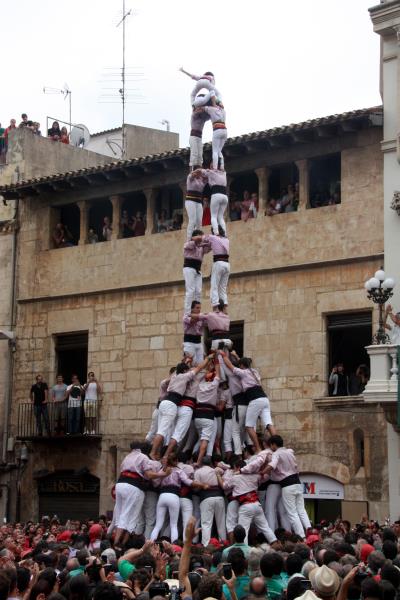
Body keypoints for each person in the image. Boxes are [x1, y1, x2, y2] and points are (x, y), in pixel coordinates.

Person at [150, 356, 211, 459]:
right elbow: (200, 368)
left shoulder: (175, 375)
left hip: (167, 404)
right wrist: (208, 359)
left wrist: (186, 361)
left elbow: (182, 368)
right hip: (176, 405)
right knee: (170, 433)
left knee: (165, 431)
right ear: (185, 371)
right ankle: (161, 454)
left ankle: (157, 453)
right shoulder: (187, 377)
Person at [112, 443, 170, 549]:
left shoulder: (128, 456)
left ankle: (117, 543)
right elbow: (149, 475)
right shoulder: (144, 458)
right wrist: (164, 474)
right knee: (132, 516)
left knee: (122, 515)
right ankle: (119, 544)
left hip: (120, 484)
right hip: (133, 486)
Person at [220, 354, 274, 453]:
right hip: (264, 398)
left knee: (244, 428)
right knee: (268, 423)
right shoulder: (254, 372)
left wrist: (222, 356)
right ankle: (277, 446)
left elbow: (229, 366)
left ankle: (256, 449)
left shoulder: (241, 373)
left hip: (252, 400)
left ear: (241, 365)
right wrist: (236, 356)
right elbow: (245, 364)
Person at [263, 435, 311, 539]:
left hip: (288, 485)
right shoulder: (290, 451)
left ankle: (302, 537)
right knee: (301, 510)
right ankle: (310, 532)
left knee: (292, 513)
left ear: (273, 444)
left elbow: (272, 465)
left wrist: (262, 472)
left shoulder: (276, 454)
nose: (271, 447)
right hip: (298, 483)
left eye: (271, 445)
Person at [217, 462, 277, 545]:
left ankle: (243, 550)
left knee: (244, 530)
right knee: (265, 527)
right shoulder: (254, 476)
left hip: (245, 506)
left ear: (237, 468)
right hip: (257, 505)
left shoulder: (235, 478)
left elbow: (224, 486)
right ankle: (275, 543)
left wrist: (218, 475)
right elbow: (266, 476)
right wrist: (262, 470)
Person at [150, 453, 205, 543]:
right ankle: (174, 546)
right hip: (174, 496)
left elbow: (156, 483)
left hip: (162, 496)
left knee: (158, 525)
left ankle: (151, 543)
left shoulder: (162, 470)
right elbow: (188, 482)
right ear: (176, 461)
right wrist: (202, 484)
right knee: (174, 525)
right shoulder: (179, 471)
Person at [194, 455, 226, 546]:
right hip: (219, 497)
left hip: (206, 498)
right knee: (221, 523)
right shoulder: (217, 470)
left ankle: (206, 545)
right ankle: (223, 543)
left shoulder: (198, 472)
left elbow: (196, 487)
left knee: (206, 524)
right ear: (210, 463)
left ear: (202, 463)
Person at [194, 358, 221, 466]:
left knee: (200, 440)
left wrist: (207, 364)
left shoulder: (200, 385)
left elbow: (200, 374)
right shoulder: (214, 385)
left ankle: (192, 457)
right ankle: (199, 461)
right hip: (208, 416)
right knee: (205, 440)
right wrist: (217, 362)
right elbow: (218, 374)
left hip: (197, 416)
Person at [194, 232, 230, 309]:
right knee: (222, 287)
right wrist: (204, 244)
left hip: (218, 263)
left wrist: (193, 239)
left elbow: (201, 238)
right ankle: (225, 308)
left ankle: (215, 307)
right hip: (227, 264)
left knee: (214, 286)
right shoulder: (226, 240)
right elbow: (210, 245)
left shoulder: (212, 237)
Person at [196, 94, 227, 171]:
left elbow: (200, 109)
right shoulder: (223, 110)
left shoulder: (210, 109)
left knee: (215, 151)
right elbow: (219, 102)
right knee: (219, 150)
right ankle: (222, 167)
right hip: (225, 130)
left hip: (217, 130)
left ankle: (215, 168)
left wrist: (197, 107)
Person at [183, 230, 211, 314]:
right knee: (190, 291)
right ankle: (187, 312)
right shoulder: (189, 243)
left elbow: (209, 247)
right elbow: (195, 240)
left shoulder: (201, 247)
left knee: (198, 291)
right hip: (189, 268)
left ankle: (197, 311)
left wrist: (212, 240)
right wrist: (203, 237)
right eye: (200, 237)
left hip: (197, 270)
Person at [189, 96, 211, 169]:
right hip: (194, 136)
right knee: (194, 155)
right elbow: (199, 111)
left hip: (199, 137)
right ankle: (192, 172)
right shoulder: (194, 114)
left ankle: (199, 171)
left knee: (200, 157)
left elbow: (210, 114)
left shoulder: (203, 117)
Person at [185, 170, 208, 240]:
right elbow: (192, 175)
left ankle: (198, 237)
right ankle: (189, 239)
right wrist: (196, 171)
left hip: (198, 202)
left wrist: (202, 171)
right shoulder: (190, 177)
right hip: (190, 200)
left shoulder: (202, 180)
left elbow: (207, 176)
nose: (199, 174)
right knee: (192, 220)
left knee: (199, 222)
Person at [206, 167, 228, 235]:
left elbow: (209, 184)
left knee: (213, 216)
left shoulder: (211, 172)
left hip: (216, 194)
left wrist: (208, 171)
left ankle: (216, 233)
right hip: (225, 196)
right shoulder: (224, 173)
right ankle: (224, 233)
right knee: (220, 217)